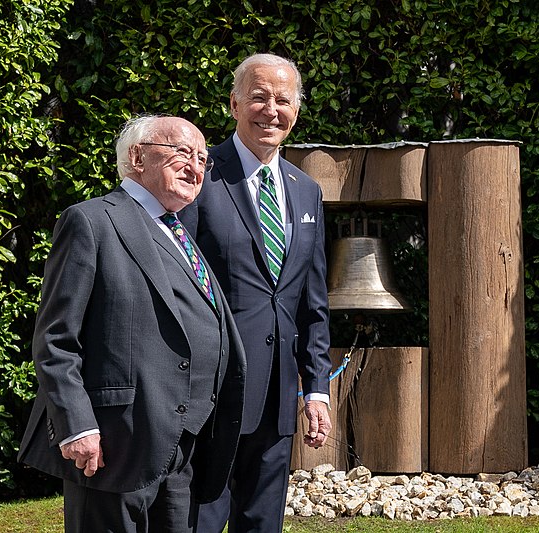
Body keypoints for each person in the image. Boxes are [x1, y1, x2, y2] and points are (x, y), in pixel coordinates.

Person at [18, 115, 246, 532]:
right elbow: (55, 339)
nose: (195, 166)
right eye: (182, 152)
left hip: (181, 447)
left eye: (202, 158)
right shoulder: (91, 221)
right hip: (113, 445)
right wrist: (77, 425)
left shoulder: (179, 233)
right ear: (138, 156)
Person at [180, 53, 332, 532]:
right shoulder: (199, 178)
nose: (271, 110)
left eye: (283, 100)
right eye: (259, 97)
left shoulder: (306, 190)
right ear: (234, 104)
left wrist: (317, 389)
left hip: (277, 398)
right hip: (209, 395)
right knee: (197, 522)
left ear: (297, 111)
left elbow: (312, 301)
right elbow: (177, 285)